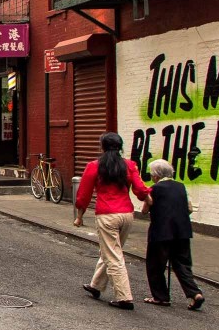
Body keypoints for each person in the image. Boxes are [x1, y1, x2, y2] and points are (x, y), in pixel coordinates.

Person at [75, 132, 152, 311]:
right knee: (111, 250)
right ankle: (96, 286)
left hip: (107, 214)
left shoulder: (94, 166)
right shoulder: (129, 165)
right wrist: (148, 202)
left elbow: (84, 194)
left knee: (114, 255)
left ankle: (124, 297)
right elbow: (140, 189)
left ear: (102, 147)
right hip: (126, 214)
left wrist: (79, 216)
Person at [142, 159, 205, 310]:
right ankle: (195, 293)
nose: (151, 177)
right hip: (182, 230)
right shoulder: (181, 187)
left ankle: (161, 297)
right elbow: (189, 208)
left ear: (156, 176)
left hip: (161, 231)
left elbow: (145, 210)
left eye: (152, 174)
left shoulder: (154, 189)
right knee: (182, 264)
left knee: (155, 265)